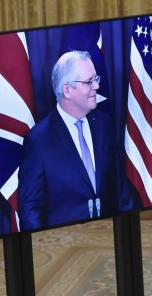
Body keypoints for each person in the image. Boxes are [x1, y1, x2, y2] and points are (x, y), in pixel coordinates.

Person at [19, 51, 135, 231]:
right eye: (89, 82)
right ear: (67, 90)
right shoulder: (38, 141)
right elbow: (31, 211)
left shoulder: (103, 124)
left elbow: (120, 189)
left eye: (96, 79)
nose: (97, 86)